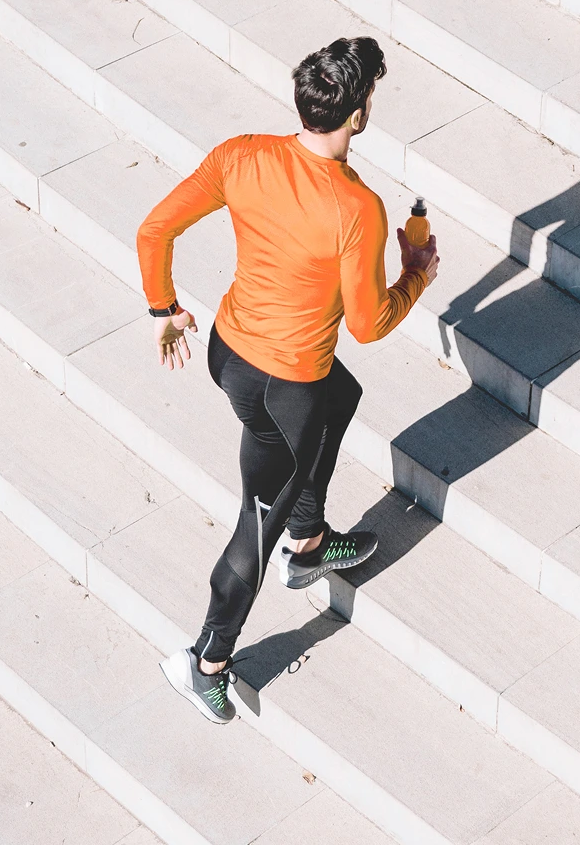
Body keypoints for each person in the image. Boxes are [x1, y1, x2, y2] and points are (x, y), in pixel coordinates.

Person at [136, 36, 439, 724]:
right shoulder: (356, 208)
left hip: (228, 353)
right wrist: (416, 273)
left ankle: (307, 542)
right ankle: (205, 661)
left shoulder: (242, 155)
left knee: (345, 394)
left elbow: (154, 231)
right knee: (254, 522)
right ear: (357, 116)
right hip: (284, 385)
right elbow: (368, 324)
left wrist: (164, 307)